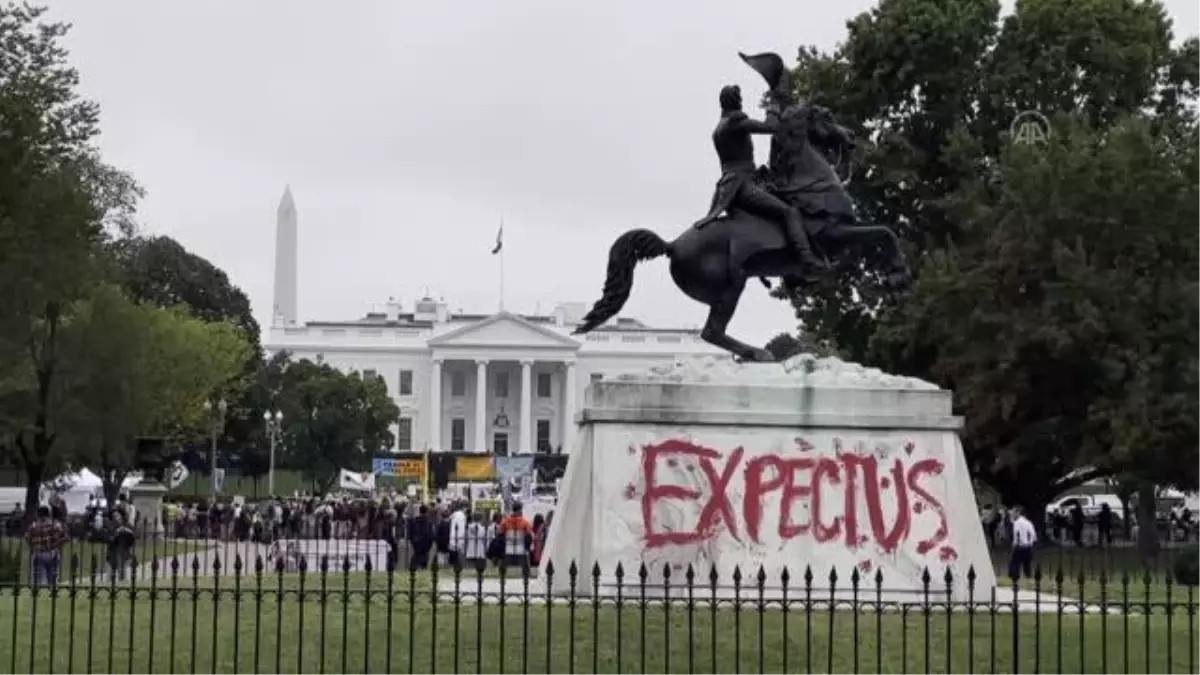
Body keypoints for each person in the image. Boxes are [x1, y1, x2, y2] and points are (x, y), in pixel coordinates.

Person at [692, 84, 828, 275]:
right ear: (737, 102)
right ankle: (806, 259)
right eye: (740, 99)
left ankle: (786, 263)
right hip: (743, 185)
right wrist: (773, 105)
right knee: (789, 212)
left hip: (731, 185)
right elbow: (771, 127)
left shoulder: (719, 128)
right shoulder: (735, 122)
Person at [25, 505, 68, 588]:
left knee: (37, 578)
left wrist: (32, 547)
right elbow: (65, 538)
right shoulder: (55, 524)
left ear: (38, 514)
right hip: (52, 553)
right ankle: (53, 592)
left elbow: (27, 537)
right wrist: (56, 546)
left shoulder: (34, 525)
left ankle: (36, 593)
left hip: (38, 553)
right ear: (48, 514)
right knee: (53, 577)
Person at [1008, 506, 1037, 583]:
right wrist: (1030, 542)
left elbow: (1016, 533)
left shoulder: (1017, 523)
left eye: (1014, 512)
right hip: (1028, 546)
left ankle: (1014, 577)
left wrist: (1015, 543)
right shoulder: (1028, 522)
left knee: (1015, 562)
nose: (1013, 514)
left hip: (1019, 545)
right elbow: (1033, 534)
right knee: (1027, 563)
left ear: (1018, 513)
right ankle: (1028, 576)